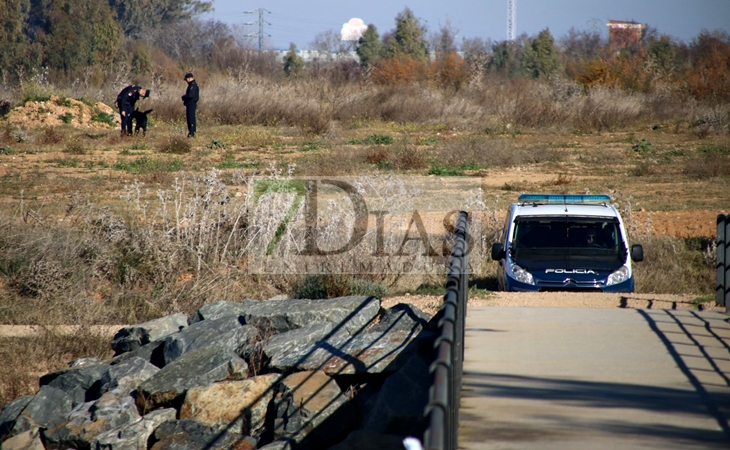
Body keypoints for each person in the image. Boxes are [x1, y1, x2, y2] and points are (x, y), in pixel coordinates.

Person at [182, 72, 199, 137]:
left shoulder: (193, 85)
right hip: (189, 104)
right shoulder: (191, 85)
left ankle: (192, 133)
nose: (186, 81)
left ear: (189, 79)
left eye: (186, 79)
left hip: (191, 104)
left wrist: (184, 97)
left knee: (191, 119)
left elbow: (190, 95)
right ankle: (191, 132)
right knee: (189, 119)